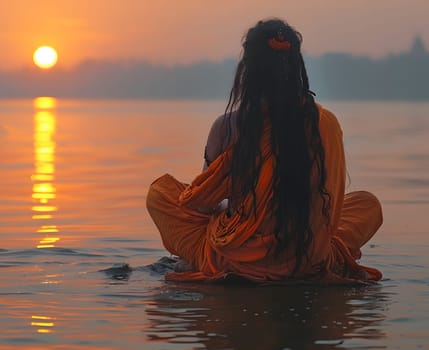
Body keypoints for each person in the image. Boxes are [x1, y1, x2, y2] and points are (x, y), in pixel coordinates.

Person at [146, 18, 383, 283]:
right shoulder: (325, 124)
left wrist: (243, 210)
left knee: (160, 193)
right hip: (307, 257)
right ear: (296, 68)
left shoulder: (228, 126)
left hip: (238, 261)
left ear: (247, 71)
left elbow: (202, 205)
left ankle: (207, 261)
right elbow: (331, 207)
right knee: (368, 205)